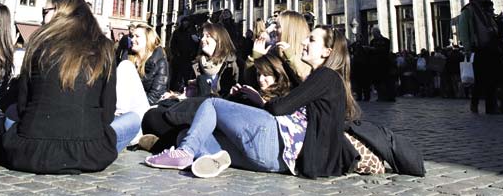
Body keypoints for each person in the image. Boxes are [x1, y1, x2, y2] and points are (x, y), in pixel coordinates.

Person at [145, 26, 360, 179]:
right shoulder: (328, 82)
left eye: (311, 40)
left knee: (211, 105)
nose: (304, 42)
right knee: (188, 135)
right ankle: (212, 157)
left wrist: (260, 101)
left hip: (278, 141)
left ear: (327, 52)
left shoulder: (327, 76)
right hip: (276, 162)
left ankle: (185, 153)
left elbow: (280, 108)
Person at [2, 0, 139, 174]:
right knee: (134, 119)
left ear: (61, 11)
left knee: (10, 112)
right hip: (87, 154)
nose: (42, 18)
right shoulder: (104, 47)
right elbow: (107, 113)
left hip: (30, 152)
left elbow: (22, 105)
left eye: (45, 11)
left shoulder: (37, 43)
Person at [139, 23, 240, 152]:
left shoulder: (233, 66)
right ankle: (176, 141)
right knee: (151, 116)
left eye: (208, 36)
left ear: (219, 40)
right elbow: (188, 93)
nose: (202, 39)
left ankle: (165, 143)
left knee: (202, 86)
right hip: (191, 113)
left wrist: (201, 85)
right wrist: (178, 95)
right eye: (202, 36)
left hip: (215, 119)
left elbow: (231, 101)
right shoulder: (196, 65)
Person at [458, 0, 501, 114]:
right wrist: (467, 48)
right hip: (478, 48)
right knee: (480, 79)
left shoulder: (484, 11)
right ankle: (474, 103)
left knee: (491, 78)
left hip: (490, 47)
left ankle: (491, 107)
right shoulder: (468, 11)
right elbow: (463, 30)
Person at [369, 26, 395, 101]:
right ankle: (380, 96)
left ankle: (388, 96)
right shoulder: (372, 41)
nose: (373, 35)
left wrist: (375, 49)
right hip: (375, 65)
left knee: (386, 81)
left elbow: (386, 50)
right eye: (373, 34)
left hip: (384, 63)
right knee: (377, 81)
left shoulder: (386, 41)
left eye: (374, 33)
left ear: (378, 33)